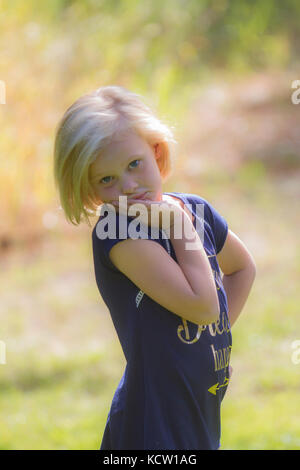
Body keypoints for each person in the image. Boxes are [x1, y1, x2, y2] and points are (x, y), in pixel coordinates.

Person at [53, 85, 256, 450]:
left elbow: (241, 269)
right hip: (153, 422)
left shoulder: (196, 209)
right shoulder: (116, 230)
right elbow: (204, 305)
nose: (128, 186)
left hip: (200, 407)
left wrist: (207, 343)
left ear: (156, 150)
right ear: (90, 189)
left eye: (134, 164)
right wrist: (179, 224)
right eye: (107, 179)